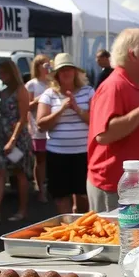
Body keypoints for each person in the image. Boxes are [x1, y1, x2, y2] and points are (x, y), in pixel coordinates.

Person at [87, 29, 139, 212]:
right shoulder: (114, 86)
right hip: (117, 191)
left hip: (135, 191)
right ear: (133, 54)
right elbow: (105, 135)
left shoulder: (138, 87)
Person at [37, 54, 94, 214]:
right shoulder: (49, 94)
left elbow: (95, 120)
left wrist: (77, 109)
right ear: (56, 74)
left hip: (84, 152)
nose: (66, 73)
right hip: (58, 153)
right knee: (61, 195)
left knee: (83, 195)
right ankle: (68, 229)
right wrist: (61, 109)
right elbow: (41, 125)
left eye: (69, 69)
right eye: (62, 70)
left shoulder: (88, 91)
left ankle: (81, 227)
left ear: (75, 72)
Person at [0, 60, 34, 222]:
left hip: (17, 139)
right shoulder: (3, 93)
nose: (0, 77)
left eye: (3, 73)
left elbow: (23, 117)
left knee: (19, 173)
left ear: (11, 73)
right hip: (3, 136)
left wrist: (12, 140)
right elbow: (3, 117)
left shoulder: (21, 91)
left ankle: (22, 210)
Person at [25, 55, 50, 203]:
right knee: (40, 160)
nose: (47, 66)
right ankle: (40, 190)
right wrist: (41, 97)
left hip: (52, 127)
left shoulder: (52, 83)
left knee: (51, 159)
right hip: (37, 128)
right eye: (44, 64)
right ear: (38, 66)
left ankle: (49, 188)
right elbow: (27, 106)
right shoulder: (32, 85)